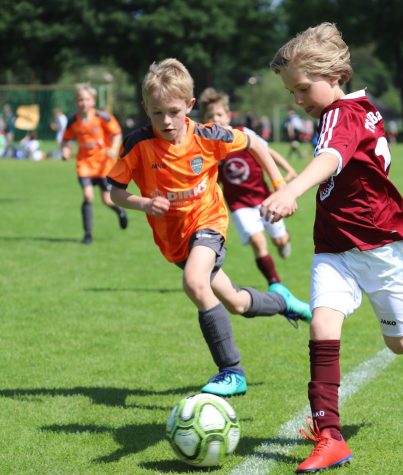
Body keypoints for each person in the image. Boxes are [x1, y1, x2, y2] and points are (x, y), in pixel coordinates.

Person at [266, 23, 403, 473]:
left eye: (303, 89)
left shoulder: (343, 115)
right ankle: (329, 436)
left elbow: (329, 160)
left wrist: (292, 191)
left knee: (401, 343)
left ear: (333, 75)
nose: (299, 101)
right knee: (323, 326)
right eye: (292, 93)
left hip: (377, 246)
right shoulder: (357, 107)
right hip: (333, 246)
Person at [107, 58, 312, 397]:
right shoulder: (137, 144)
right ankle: (284, 303)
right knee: (237, 303)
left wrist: (279, 184)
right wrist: (143, 203)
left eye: (174, 111)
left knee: (194, 281)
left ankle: (231, 371)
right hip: (174, 241)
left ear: (189, 106)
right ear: (146, 108)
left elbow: (256, 143)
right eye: (157, 113)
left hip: (208, 222)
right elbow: (115, 191)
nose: (166, 121)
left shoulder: (207, 135)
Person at [198, 87, 298, 286]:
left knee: (279, 240)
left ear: (228, 116)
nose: (215, 119)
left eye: (218, 114)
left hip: (264, 198)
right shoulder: (206, 146)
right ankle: (275, 283)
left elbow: (267, 152)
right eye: (210, 116)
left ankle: (284, 241)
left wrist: (288, 169)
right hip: (239, 205)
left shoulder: (243, 134)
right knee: (258, 241)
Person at [61, 83, 128, 244]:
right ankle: (87, 235)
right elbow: (66, 139)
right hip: (84, 164)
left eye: (86, 99)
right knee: (88, 196)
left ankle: (120, 211)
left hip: (103, 164)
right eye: (79, 99)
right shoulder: (73, 121)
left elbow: (117, 133)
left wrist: (113, 148)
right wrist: (65, 150)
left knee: (106, 200)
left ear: (93, 101)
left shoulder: (102, 117)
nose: (82, 102)